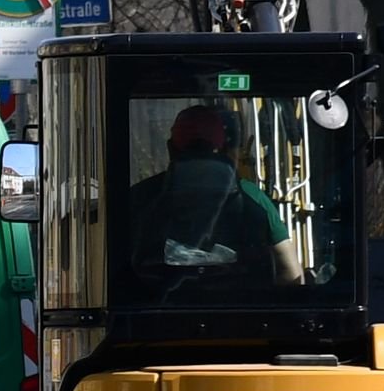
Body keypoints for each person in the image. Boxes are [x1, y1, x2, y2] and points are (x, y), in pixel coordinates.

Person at [122, 104, 285, 289]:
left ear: (170, 149)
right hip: (241, 310)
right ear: (223, 148)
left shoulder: (139, 197)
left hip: (158, 311)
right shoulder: (252, 196)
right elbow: (290, 269)